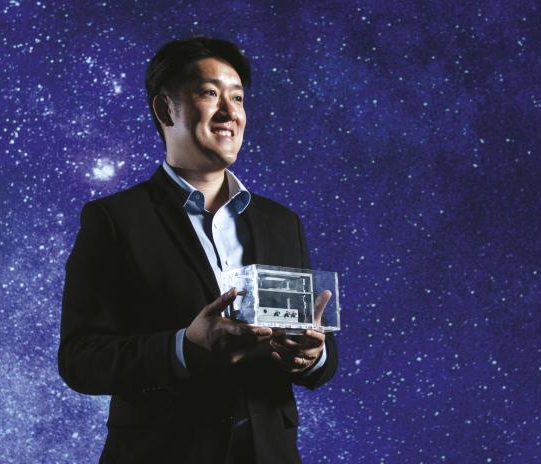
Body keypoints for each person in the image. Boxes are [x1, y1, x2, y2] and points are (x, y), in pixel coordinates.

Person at [57, 36, 338, 463]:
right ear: (165, 109)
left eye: (238, 98)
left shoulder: (282, 222)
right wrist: (184, 347)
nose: (230, 112)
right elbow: (80, 360)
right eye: (210, 93)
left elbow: (318, 352)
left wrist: (311, 356)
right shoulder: (114, 220)